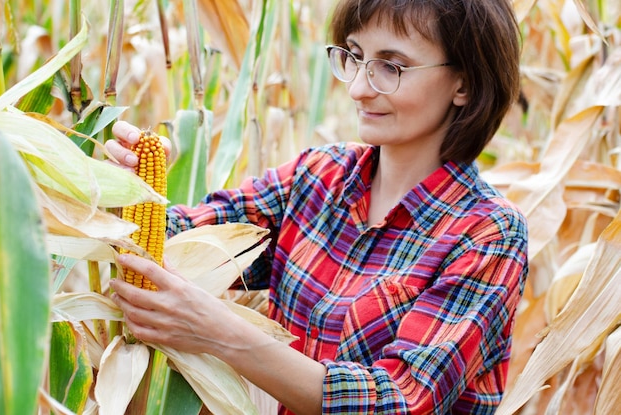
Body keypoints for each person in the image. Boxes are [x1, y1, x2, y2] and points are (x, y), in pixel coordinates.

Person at [107, 0, 528, 413]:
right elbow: (184, 241)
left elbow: (398, 400)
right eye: (355, 57)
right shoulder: (318, 176)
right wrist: (127, 191)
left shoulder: (488, 233)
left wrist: (219, 332)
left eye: (391, 67)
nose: (359, 88)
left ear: (465, 84)